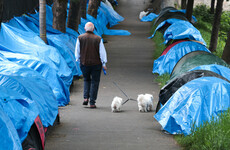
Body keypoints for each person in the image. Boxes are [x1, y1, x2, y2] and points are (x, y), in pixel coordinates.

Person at [75, 22, 107, 108]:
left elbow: (77, 51)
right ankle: (92, 102)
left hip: (84, 63)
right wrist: (104, 63)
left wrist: (78, 60)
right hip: (96, 64)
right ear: (93, 29)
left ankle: (86, 98)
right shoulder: (98, 39)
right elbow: (102, 53)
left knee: (86, 80)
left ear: (85, 29)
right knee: (95, 82)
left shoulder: (80, 38)